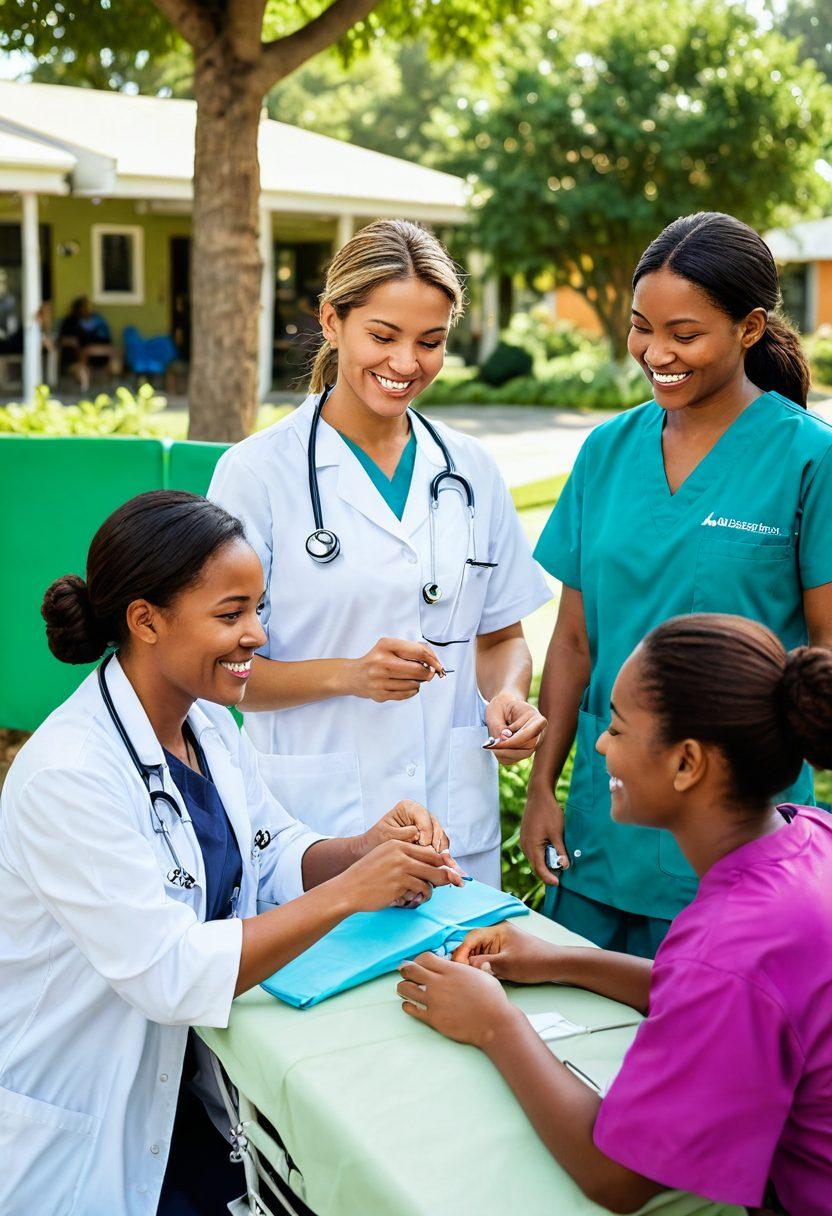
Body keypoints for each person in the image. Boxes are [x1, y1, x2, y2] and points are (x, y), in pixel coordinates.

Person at [0, 491, 462, 1216]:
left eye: (258, 609)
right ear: (145, 620)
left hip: (198, 1094)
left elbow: (271, 849)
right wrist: (348, 892)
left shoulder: (204, 724)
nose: (256, 634)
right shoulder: (71, 775)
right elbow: (169, 973)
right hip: (87, 1120)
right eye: (230, 614)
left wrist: (367, 850)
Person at [398, 614, 832, 1216]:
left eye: (619, 729)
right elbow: (733, 996)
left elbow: (619, 1177)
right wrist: (557, 961)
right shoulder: (807, 835)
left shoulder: (732, 942)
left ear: (686, 764)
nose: (600, 745)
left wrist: (494, 1024)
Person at [523, 210, 832, 954]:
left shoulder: (809, 459)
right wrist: (543, 788)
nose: (655, 352)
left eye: (683, 334)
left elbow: (826, 649)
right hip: (608, 822)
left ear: (750, 328)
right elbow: (572, 641)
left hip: (740, 832)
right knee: (577, 1042)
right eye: (640, 328)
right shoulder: (606, 451)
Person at [209, 219, 551, 887]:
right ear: (332, 321)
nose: (405, 364)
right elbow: (222, 672)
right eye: (383, 336)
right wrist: (346, 676)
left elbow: (502, 636)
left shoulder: (470, 469)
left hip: (455, 820)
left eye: (431, 343)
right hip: (318, 828)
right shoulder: (256, 474)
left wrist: (508, 694)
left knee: (463, 985)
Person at [59, 294, 120, 390]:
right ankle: (85, 390)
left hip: (99, 356)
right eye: (85, 307)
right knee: (82, 368)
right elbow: (63, 340)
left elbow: (106, 339)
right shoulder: (70, 322)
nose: (88, 309)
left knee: (116, 355)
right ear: (78, 308)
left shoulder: (98, 321)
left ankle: (113, 386)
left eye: (89, 307)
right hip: (78, 358)